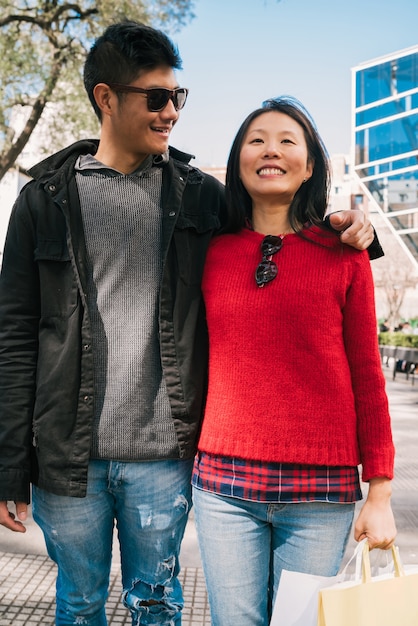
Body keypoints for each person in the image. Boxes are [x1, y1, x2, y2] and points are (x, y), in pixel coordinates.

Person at [0, 19, 378, 625]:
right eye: (156, 98)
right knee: (77, 603)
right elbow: (15, 338)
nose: (171, 112)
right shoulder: (42, 200)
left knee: (157, 605)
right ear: (106, 98)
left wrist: (352, 226)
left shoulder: (199, 196)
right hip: (66, 457)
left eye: (178, 97)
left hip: (166, 456)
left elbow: (279, 218)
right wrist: (9, 465)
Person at [191, 96, 397, 626]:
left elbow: (368, 376)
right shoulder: (208, 251)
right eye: (256, 139)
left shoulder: (346, 253)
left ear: (309, 166)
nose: (271, 150)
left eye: (288, 141)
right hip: (223, 485)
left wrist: (380, 491)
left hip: (320, 495)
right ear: (238, 161)